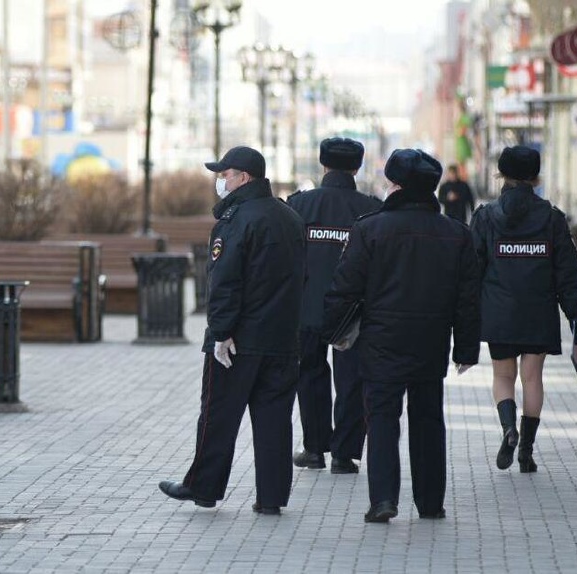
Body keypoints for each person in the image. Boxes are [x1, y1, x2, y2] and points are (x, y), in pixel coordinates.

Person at [322, 149, 480, 523]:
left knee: (381, 419)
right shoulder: (456, 234)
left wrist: (330, 331)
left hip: (380, 343)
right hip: (431, 343)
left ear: (395, 185)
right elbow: (468, 299)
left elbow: (345, 288)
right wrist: (467, 348)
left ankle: (383, 500)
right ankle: (430, 503)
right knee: (428, 419)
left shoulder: (370, 229)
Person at [158, 146, 305, 515]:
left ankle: (203, 487)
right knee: (274, 421)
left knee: (218, 415)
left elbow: (225, 282)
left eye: (225, 175)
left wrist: (220, 333)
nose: (220, 182)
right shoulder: (289, 218)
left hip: (239, 340)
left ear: (244, 178)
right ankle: (271, 497)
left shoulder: (236, 220)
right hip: (283, 339)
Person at [469, 146, 577, 474]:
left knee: (503, 376)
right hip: (538, 312)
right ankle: (526, 452)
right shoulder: (551, 218)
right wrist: (573, 311)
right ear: (535, 178)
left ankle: (508, 429)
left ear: (500, 175)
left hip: (499, 312)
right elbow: (567, 270)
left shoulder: (486, 217)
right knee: (532, 378)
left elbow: (471, 269)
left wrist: (465, 312)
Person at [286, 137, 382, 474]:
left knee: (309, 374)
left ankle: (314, 448)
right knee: (351, 379)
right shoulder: (371, 207)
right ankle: (345, 454)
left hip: (307, 306)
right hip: (355, 312)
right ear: (357, 167)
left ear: (323, 165)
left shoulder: (299, 205)